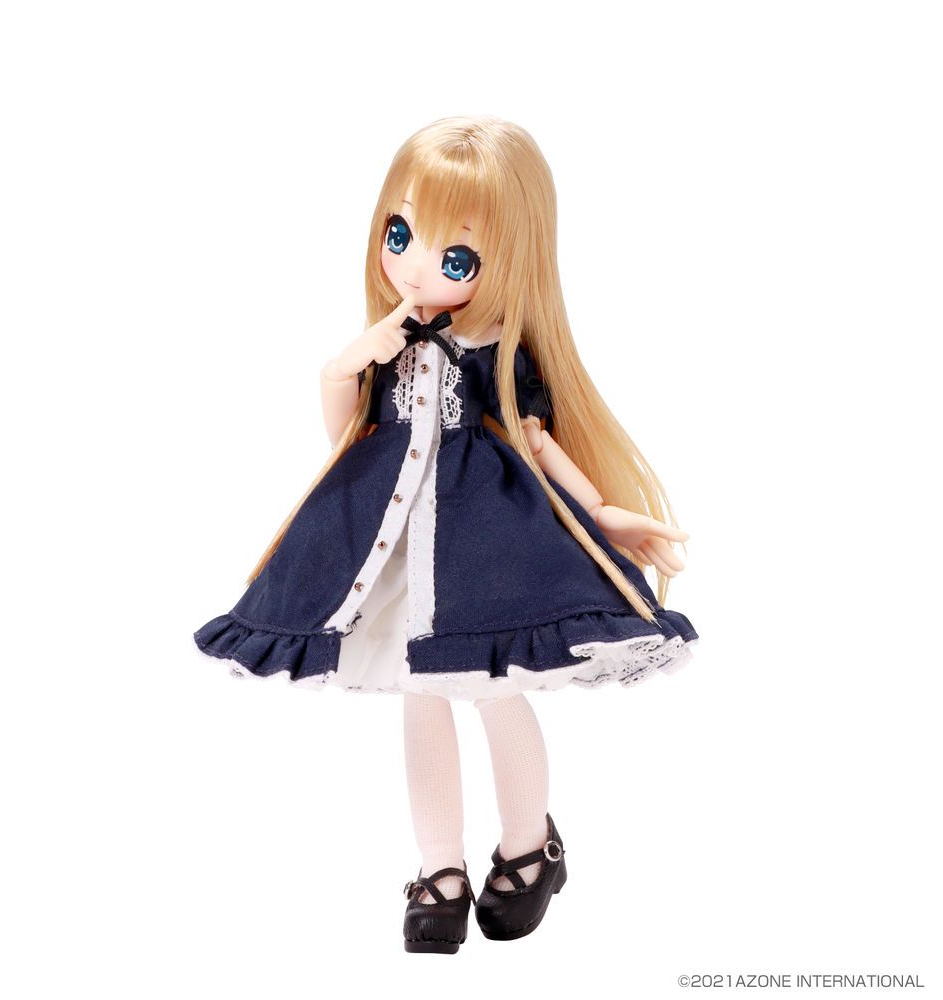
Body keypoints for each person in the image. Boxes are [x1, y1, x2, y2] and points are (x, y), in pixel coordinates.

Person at [193, 114, 698, 953]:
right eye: (400, 234)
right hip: (389, 540)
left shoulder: (498, 348)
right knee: (421, 695)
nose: (415, 264)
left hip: (484, 543)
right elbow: (345, 431)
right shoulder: (387, 343)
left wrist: (601, 512)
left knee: (494, 690)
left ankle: (529, 848)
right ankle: (440, 870)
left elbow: (535, 441)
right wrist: (346, 361)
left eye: (454, 257)